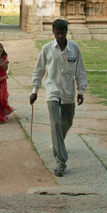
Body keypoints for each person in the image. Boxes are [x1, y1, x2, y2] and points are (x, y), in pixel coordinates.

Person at [30, 19, 87, 177]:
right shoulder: (47, 49)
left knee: (67, 122)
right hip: (53, 92)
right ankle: (61, 162)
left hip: (68, 93)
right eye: (58, 31)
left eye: (63, 30)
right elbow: (39, 70)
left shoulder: (74, 48)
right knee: (55, 124)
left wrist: (81, 90)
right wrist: (35, 90)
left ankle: (57, 142)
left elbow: (80, 70)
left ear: (67, 30)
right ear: (53, 31)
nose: (61, 34)